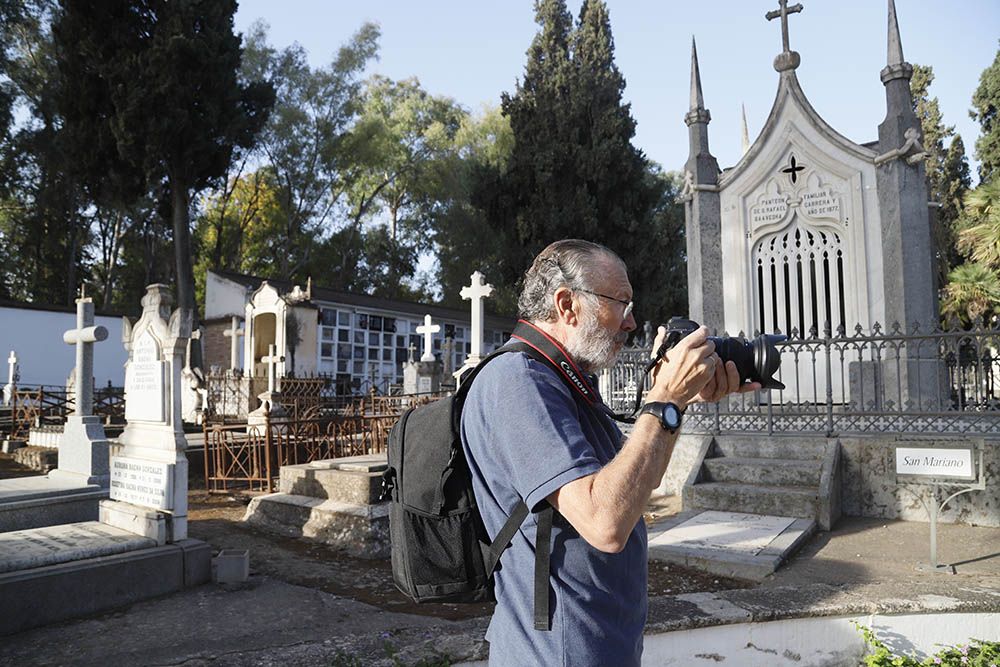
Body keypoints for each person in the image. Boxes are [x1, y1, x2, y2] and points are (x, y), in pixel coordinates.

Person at [461, 239, 758, 666]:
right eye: (621, 303)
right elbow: (606, 522)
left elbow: (633, 487)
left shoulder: (565, 382)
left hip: (595, 645)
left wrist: (676, 404)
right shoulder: (520, 382)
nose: (632, 321)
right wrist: (664, 400)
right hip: (555, 653)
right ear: (567, 304)